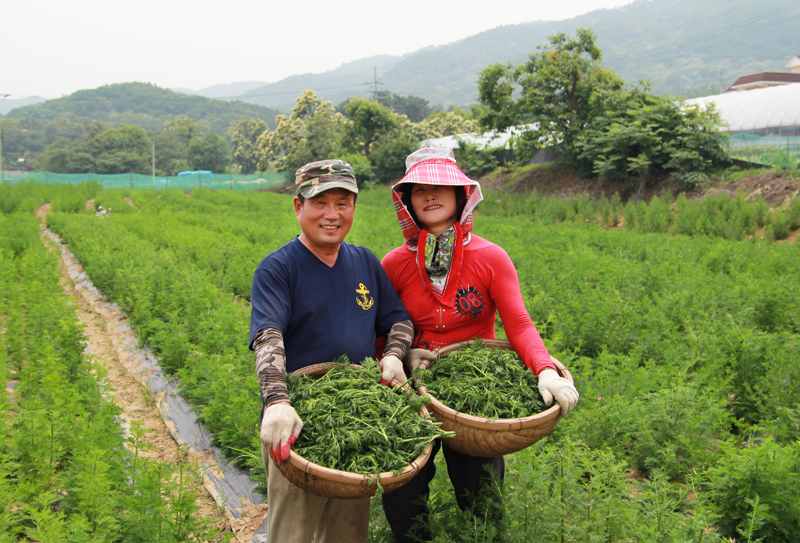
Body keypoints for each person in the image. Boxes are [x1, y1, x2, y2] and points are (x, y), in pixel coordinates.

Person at [379, 147, 579, 542]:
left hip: (472, 393)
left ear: (460, 195)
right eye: (419, 189)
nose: (430, 195)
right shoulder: (394, 263)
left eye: (441, 186)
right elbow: (381, 329)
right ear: (408, 201)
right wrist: (399, 357)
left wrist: (544, 369)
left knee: (480, 492)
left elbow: (518, 322)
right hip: (408, 390)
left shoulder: (490, 257)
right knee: (404, 495)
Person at [249, 159, 413, 543]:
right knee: (293, 532)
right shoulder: (279, 269)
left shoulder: (365, 262)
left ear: (354, 206)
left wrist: (393, 354)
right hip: (298, 425)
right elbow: (267, 337)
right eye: (320, 202)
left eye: (343, 202)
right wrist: (276, 402)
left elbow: (399, 321)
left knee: (348, 533)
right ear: (298, 206)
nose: (332, 214)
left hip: (355, 424)